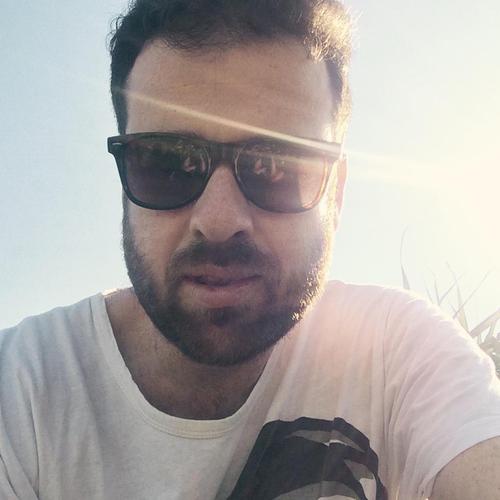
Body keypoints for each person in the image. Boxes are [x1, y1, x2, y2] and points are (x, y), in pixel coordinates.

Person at [1, 1, 500, 498]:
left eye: (276, 167)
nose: (219, 222)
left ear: (336, 194)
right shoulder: (20, 391)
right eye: (167, 163)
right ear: (124, 179)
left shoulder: (397, 353)